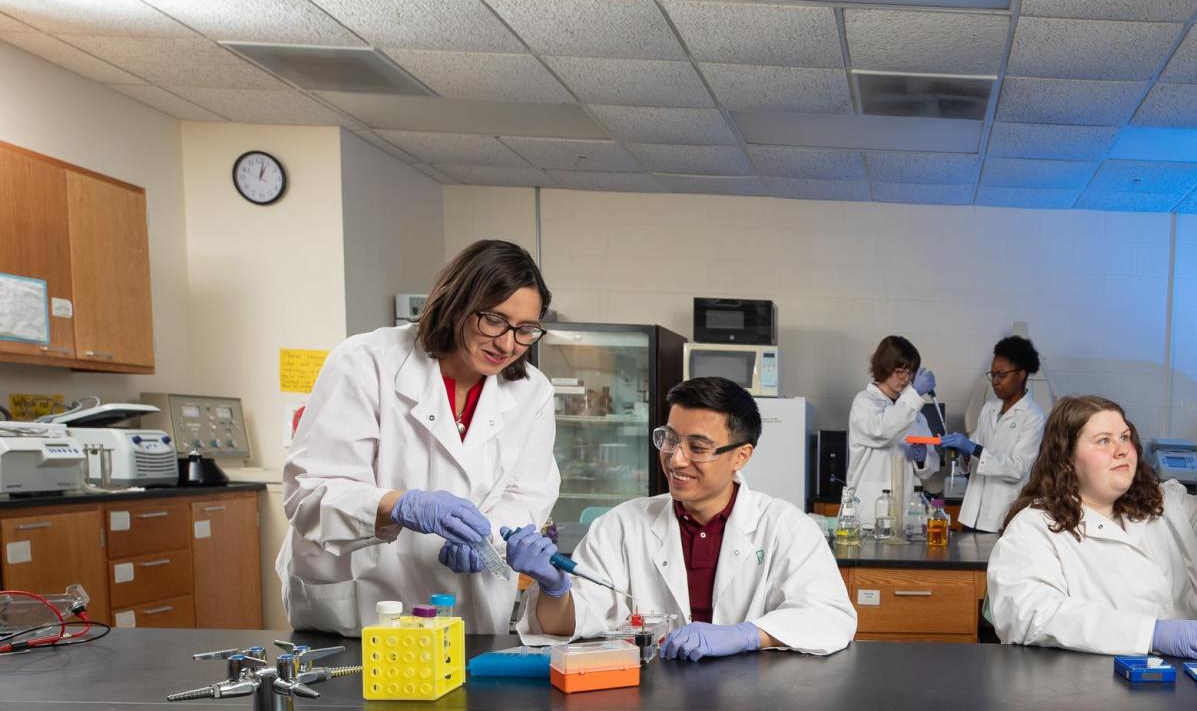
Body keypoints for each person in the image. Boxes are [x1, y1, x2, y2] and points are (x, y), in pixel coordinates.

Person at [279, 239, 559, 634]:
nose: (508, 343)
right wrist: (399, 505)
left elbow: (528, 494)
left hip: (467, 604)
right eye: (494, 321)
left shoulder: (533, 390)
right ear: (456, 303)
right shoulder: (366, 362)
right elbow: (308, 493)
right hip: (364, 605)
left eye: (526, 330)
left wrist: (489, 538)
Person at [510, 376, 855, 660]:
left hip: (752, 707)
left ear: (741, 456)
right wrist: (555, 590)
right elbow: (564, 625)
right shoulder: (621, 526)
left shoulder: (785, 527)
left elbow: (830, 617)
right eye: (670, 440)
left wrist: (747, 635)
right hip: (646, 707)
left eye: (698, 448)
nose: (675, 460)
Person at [987, 392, 1197, 659]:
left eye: (1124, 437)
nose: (1121, 449)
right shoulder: (1035, 527)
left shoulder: (1166, 504)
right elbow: (1028, 613)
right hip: (1099, 690)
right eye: (1103, 440)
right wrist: (1149, 635)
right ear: (1066, 458)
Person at [939, 335, 1043, 533]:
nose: (995, 382)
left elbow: (1017, 468)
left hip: (1000, 516)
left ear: (1021, 374)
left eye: (1001, 375)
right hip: (971, 513)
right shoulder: (989, 408)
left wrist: (974, 448)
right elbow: (972, 463)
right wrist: (965, 453)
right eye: (992, 374)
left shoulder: (1033, 416)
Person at [846, 335, 941, 529]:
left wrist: (922, 459)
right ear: (884, 368)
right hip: (870, 515)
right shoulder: (864, 403)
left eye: (910, 372)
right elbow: (882, 430)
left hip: (907, 514)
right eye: (900, 371)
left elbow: (931, 468)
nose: (906, 379)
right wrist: (915, 395)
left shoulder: (915, 414)